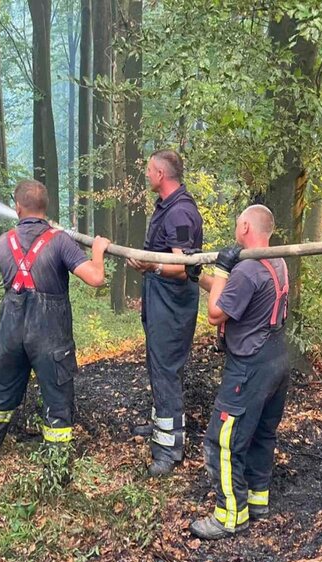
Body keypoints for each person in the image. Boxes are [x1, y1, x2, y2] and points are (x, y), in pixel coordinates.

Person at [0, 179, 111, 464]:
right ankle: (57, 459)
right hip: (49, 331)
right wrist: (98, 249)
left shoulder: (2, 242)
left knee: (2, 386)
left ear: (18, 206)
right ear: (46, 207)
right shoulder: (60, 241)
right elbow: (96, 279)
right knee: (56, 393)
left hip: (11, 328)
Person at [188, 205, 291, 540]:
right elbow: (237, 298)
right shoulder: (277, 261)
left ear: (245, 225)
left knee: (224, 441)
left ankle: (230, 516)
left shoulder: (247, 269)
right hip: (276, 358)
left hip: (249, 366)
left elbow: (217, 314)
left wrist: (221, 270)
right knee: (262, 431)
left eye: (237, 222)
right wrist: (201, 277)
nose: (236, 226)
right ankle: (257, 499)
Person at [127, 150, 203, 477]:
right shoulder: (167, 207)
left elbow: (184, 268)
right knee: (159, 366)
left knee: (166, 369)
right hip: (159, 297)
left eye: (149, 170)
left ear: (160, 174)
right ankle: (163, 425)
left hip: (173, 302)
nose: (147, 175)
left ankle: (168, 450)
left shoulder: (180, 213)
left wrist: (150, 265)